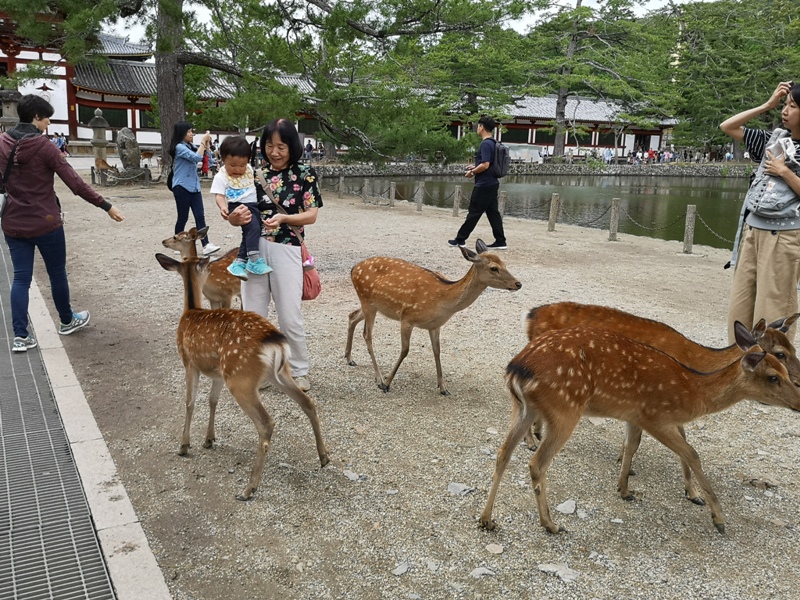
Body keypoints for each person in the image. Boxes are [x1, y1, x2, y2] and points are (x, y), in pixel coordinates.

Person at [0, 94, 125, 352]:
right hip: (46, 222)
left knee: (21, 278)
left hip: (13, 220)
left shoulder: (2, 141)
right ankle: (67, 321)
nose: (48, 123)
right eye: (46, 118)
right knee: (57, 273)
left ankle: (21, 336)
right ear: (36, 117)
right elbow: (76, 184)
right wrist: (106, 205)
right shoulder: (46, 147)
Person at [226, 118, 322, 392]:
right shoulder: (253, 175)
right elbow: (237, 213)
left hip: (286, 247)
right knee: (253, 315)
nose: (275, 152)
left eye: (281, 146)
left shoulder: (305, 174)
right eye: (270, 146)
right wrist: (234, 218)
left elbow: (312, 215)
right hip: (253, 249)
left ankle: (299, 369)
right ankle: (260, 370)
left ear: (292, 146)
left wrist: (283, 218)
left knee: (289, 315)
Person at [721, 80, 800, 342]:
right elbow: (728, 126)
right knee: (740, 306)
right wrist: (767, 105)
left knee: (774, 306)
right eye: (785, 105)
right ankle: (739, 366)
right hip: (753, 229)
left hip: (784, 234)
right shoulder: (774, 139)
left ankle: (774, 373)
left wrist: (784, 171)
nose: (785, 111)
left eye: (793, 106)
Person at [211, 135, 272, 279]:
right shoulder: (221, 177)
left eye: (242, 165)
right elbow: (219, 195)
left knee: (252, 232)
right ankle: (253, 259)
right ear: (223, 159)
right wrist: (223, 207)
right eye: (233, 165)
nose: (238, 169)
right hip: (238, 206)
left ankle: (239, 262)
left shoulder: (249, 169)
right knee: (253, 229)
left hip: (253, 205)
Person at [447, 116, 507, 250]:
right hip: (492, 182)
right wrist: (474, 166)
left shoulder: (485, 144)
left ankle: (460, 239)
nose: (477, 128)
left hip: (484, 184)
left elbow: (485, 165)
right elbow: (487, 164)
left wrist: (473, 172)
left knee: (474, 212)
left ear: (481, 127)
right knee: (493, 213)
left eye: (478, 126)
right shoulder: (493, 142)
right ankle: (501, 241)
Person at [168, 121, 219, 256]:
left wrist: (207, 147)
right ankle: (178, 244)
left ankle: (206, 244)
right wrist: (203, 141)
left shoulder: (191, 146)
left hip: (194, 187)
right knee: (183, 217)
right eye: (189, 132)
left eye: (192, 131)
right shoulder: (179, 147)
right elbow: (196, 158)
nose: (192, 134)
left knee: (200, 216)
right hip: (182, 186)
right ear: (182, 133)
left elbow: (207, 159)